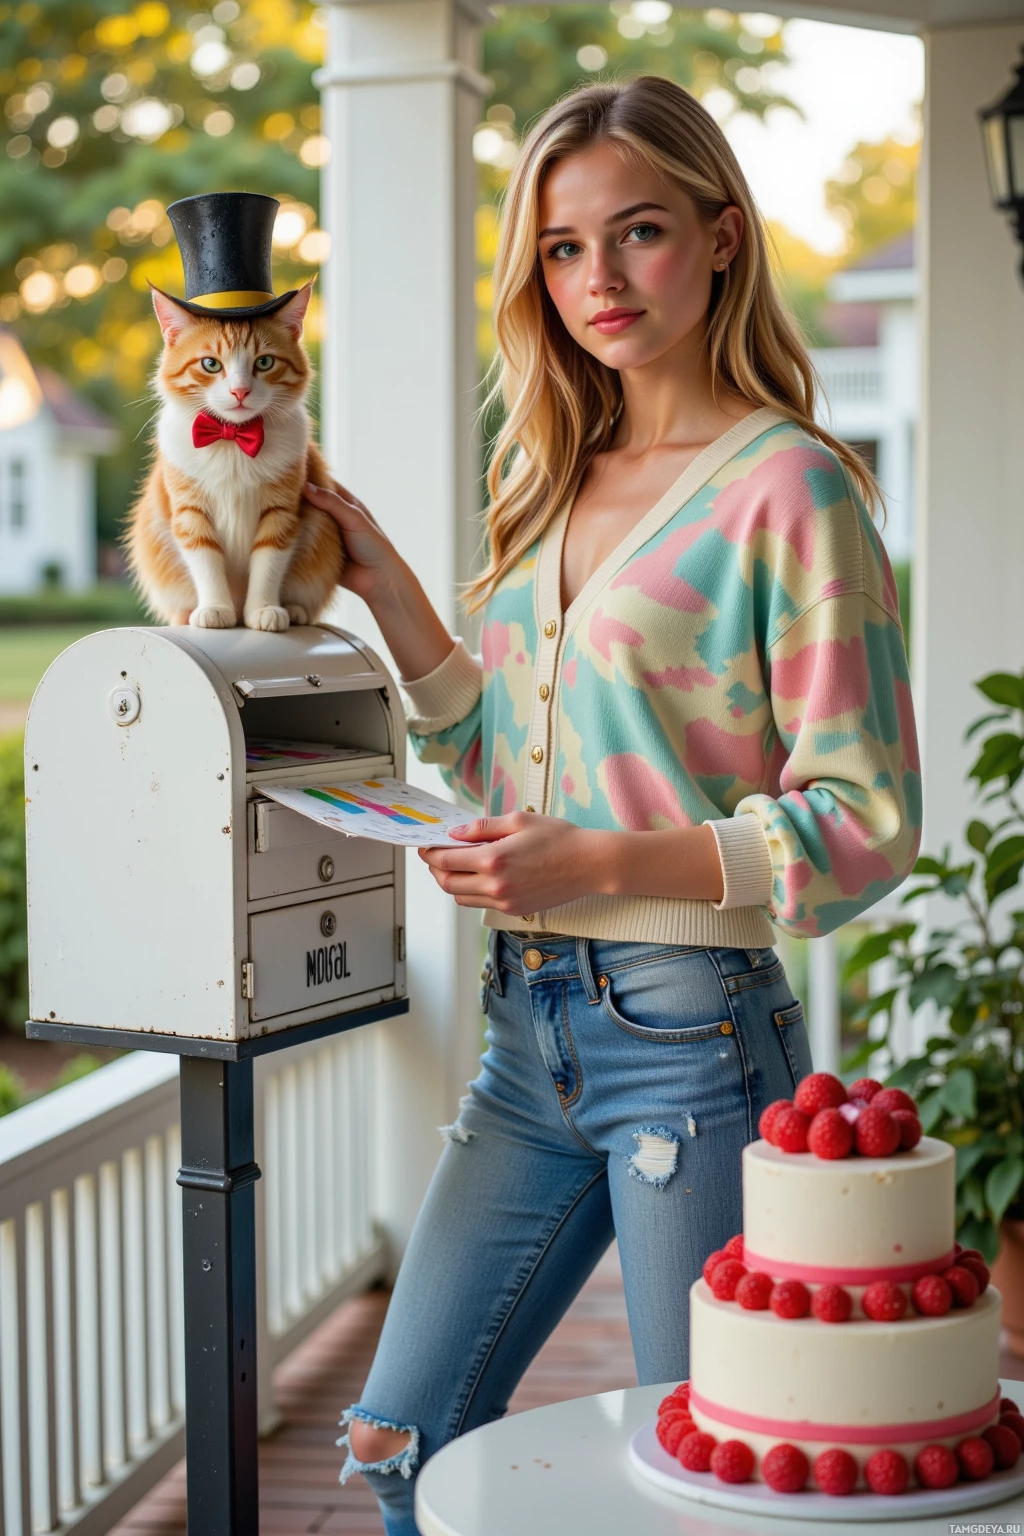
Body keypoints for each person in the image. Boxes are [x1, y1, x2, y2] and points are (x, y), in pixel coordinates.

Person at [302, 75, 921, 1536]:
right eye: (563, 251)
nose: (597, 279)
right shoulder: (556, 478)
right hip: (528, 1032)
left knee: (708, 1485)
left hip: (695, 1039)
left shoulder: (795, 490)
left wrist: (599, 856)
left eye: (635, 233)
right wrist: (385, 574)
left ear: (718, 237)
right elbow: (499, 755)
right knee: (401, 1439)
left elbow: (865, 819)